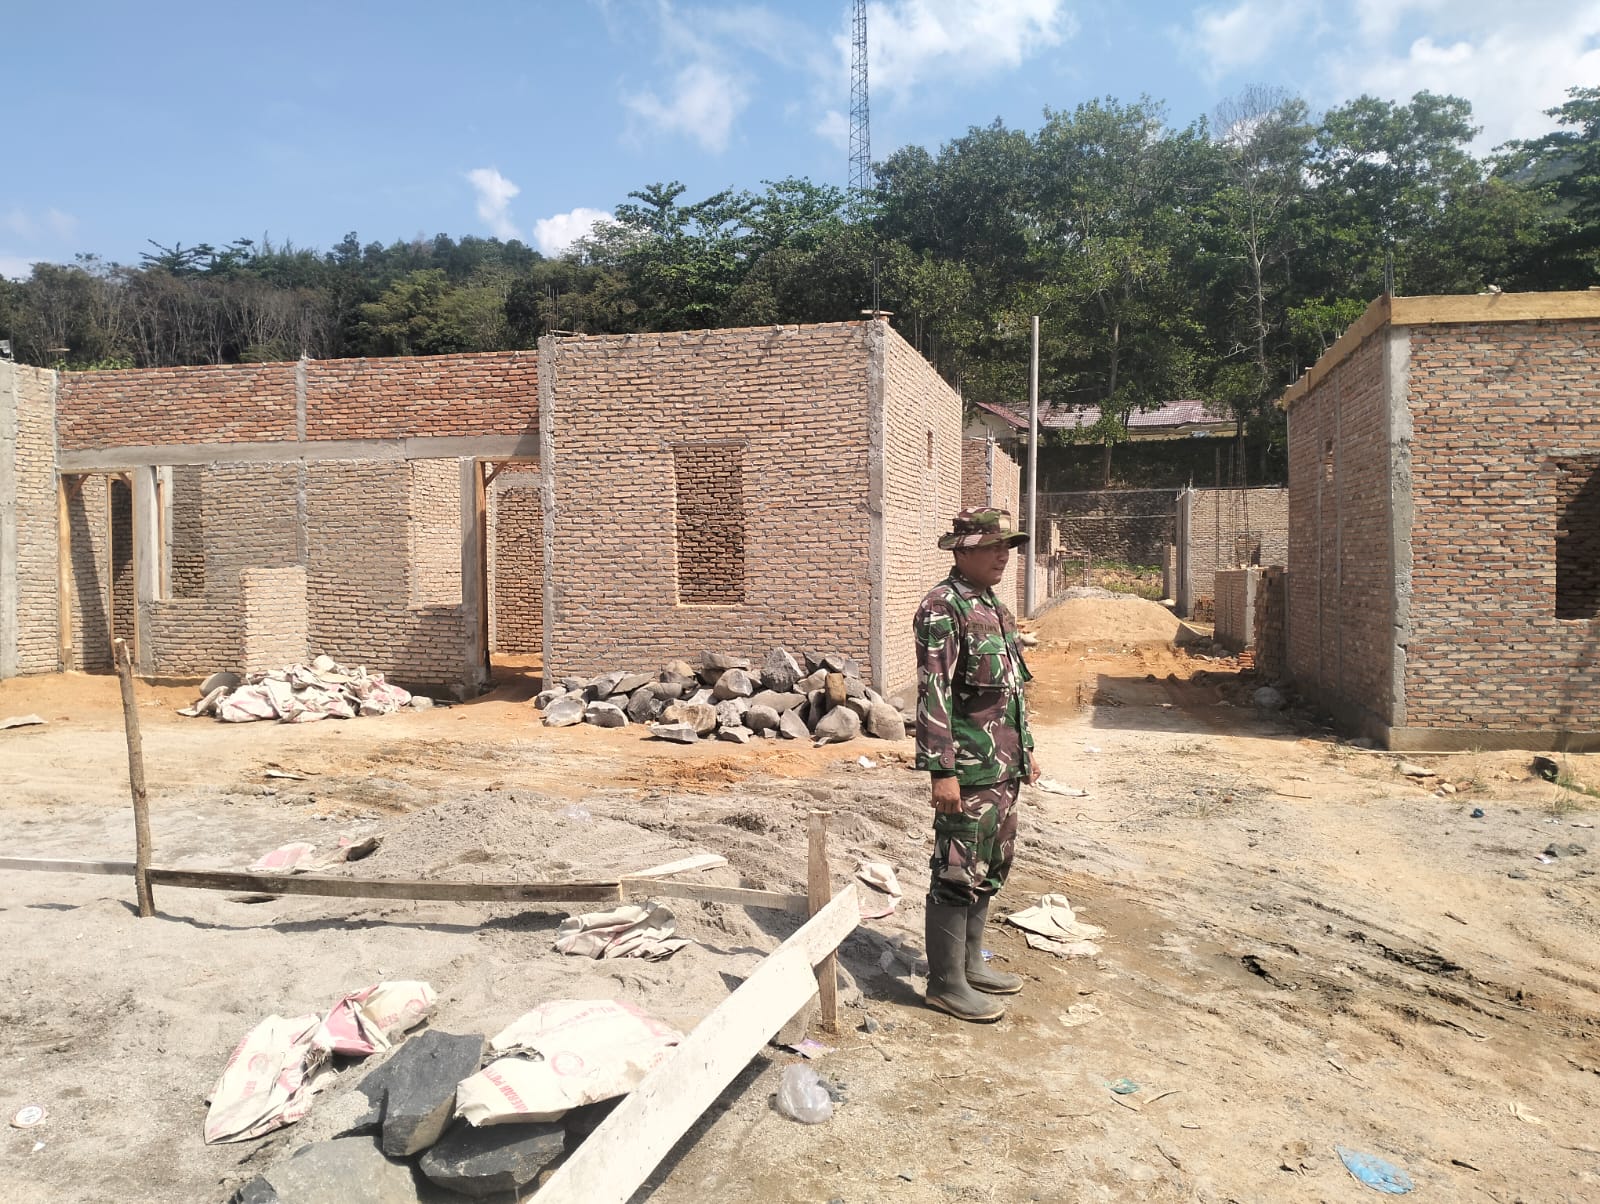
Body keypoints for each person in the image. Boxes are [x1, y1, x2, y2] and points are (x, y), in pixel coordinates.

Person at [914, 507, 1039, 1022]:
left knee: (991, 864)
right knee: (956, 869)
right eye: (992, 546)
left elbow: (1010, 690)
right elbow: (934, 693)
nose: (1003, 555)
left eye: (1007, 546)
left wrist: (1026, 749)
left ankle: (970, 965)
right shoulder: (943, 607)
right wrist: (941, 770)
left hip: (1003, 766)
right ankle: (946, 984)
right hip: (966, 769)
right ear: (963, 551)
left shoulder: (996, 608)